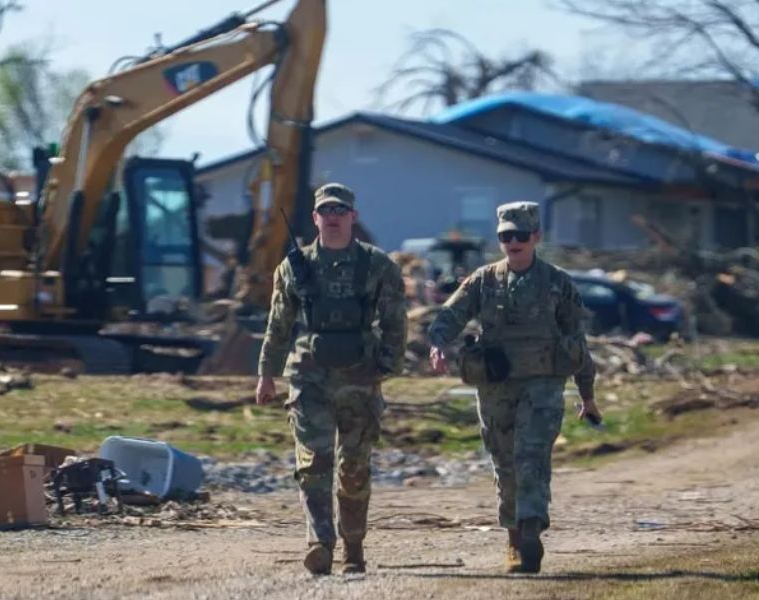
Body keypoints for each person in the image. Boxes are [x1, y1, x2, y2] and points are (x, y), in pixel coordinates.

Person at [427, 201, 600, 574]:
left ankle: (531, 528)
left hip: (543, 385)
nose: (514, 242)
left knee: (532, 457)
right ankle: (514, 537)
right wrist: (438, 343)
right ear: (499, 238)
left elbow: (577, 344)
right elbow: (451, 316)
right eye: (506, 236)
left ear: (536, 237)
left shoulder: (557, 283)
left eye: (521, 235)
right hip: (496, 387)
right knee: (505, 463)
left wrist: (587, 396)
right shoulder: (484, 280)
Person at [254, 182, 407, 575]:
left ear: (353, 217)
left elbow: (394, 321)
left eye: (341, 211)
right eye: (327, 211)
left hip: (360, 379)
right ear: (315, 218)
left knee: (354, 466)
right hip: (309, 379)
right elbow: (278, 325)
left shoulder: (377, 266)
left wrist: (389, 364)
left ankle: (353, 546)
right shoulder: (294, 267)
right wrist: (266, 374)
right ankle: (319, 542)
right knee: (312, 464)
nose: (334, 217)